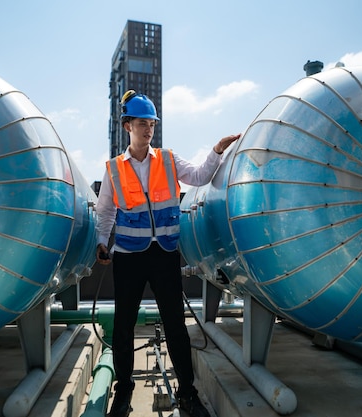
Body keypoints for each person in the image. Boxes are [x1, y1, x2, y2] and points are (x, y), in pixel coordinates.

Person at [95, 90, 240, 417]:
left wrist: (217, 151)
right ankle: (123, 393)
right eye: (142, 123)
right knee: (123, 326)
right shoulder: (115, 169)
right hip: (129, 256)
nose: (149, 129)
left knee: (176, 325)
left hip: (164, 255)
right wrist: (102, 241)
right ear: (127, 125)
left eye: (152, 124)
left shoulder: (169, 160)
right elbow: (105, 211)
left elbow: (202, 176)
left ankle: (187, 392)